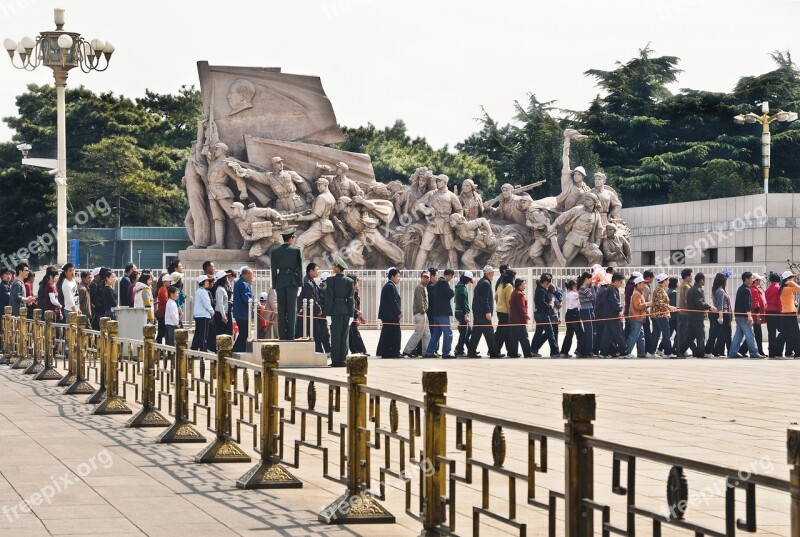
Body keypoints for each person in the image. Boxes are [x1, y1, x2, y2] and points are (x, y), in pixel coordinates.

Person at [270, 227, 303, 340]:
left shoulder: (275, 252)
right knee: (292, 309)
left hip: (280, 281)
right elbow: (299, 268)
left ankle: (282, 336)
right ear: (291, 238)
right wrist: (300, 284)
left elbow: (273, 270)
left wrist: (274, 285)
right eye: (294, 237)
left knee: (282, 309)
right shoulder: (296, 250)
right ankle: (290, 336)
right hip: (292, 281)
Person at [677, 273, 717, 358]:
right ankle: (700, 353)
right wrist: (709, 307)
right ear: (701, 280)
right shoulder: (697, 290)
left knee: (691, 336)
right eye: (704, 280)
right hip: (697, 317)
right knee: (700, 336)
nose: (705, 281)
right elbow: (699, 303)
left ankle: (680, 350)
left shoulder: (692, 289)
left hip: (692, 316)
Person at [324, 257, 354, 367]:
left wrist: (327, 314)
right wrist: (352, 315)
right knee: (344, 336)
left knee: (335, 337)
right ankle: (343, 360)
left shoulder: (330, 280)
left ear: (338, 268)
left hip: (335, 311)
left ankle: (335, 361)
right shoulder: (350, 281)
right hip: (345, 310)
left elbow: (329, 298)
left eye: (334, 266)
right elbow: (351, 299)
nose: (333, 268)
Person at [467, 266, 501, 358]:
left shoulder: (481, 282)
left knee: (476, 333)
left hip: (478, 312)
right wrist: (488, 311)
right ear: (489, 274)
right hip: (482, 312)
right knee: (489, 333)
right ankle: (494, 353)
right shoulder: (486, 283)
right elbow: (484, 299)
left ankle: (471, 352)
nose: (493, 275)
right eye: (492, 273)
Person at [728, 272, 760, 359]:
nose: (752, 280)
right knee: (750, 334)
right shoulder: (746, 289)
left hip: (738, 315)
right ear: (746, 279)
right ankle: (754, 352)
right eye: (751, 278)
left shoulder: (740, 288)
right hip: (744, 316)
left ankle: (733, 352)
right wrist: (749, 316)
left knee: (738, 335)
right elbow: (748, 304)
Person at [426, 268, 455, 358]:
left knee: (436, 333)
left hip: (436, 312)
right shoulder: (444, 283)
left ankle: (429, 352)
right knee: (448, 332)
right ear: (449, 275)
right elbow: (451, 293)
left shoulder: (437, 284)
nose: (451, 279)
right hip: (443, 312)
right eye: (451, 277)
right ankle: (446, 353)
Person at [402, 272, 431, 358]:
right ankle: (407, 350)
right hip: (420, 313)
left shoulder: (424, 288)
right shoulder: (419, 288)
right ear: (421, 278)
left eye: (427, 278)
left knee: (427, 334)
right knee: (418, 333)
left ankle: (426, 352)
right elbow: (420, 301)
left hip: (423, 313)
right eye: (424, 277)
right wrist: (423, 311)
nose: (426, 279)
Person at [530, 273, 559, 357]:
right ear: (546, 282)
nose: (549, 284)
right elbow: (542, 302)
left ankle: (533, 350)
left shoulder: (540, 290)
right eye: (549, 283)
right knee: (550, 333)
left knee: (538, 333)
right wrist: (549, 306)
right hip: (543, 314)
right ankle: (555, 352)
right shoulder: (541, 291)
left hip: (539, 314)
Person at [598, 273, 626, 357]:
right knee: (619, 334)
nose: (622, 284)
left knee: (607, 335)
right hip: (613, 316)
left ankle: (603, 353)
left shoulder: (610, 289)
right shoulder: (612, 289)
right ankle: (623, 353)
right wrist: (620, 309)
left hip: (608, 316)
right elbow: (614, 301)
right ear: (616, 281)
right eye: (621, 282)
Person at [376, 268, 402, 358]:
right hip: (390, 315)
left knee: (386, 334)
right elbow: (393, 301)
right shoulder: (390, 286)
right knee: (395, 333)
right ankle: (395, 352)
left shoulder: (389, 285)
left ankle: (385, 352)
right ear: (392, 276)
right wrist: (398, 312)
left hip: (387, 315)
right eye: (398, 276)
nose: (399, 278)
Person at [650, 273, 676, 358]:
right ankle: (668, 353)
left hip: (657, 315)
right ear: (664, 281)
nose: (668, 281)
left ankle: (651, 352)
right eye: (667, 280)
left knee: (656, 334)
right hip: (661, 315)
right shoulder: (660, 290)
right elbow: (660, 304)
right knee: (666, 334)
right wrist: (670, 307)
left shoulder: (659, 289)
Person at [624, 276, 650, 358]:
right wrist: (648, 304)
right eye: (643, 283)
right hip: (636, 318)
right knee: (634, 336)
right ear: (638, 284)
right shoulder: (636, 294)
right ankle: (627, 352)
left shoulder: (639, 293)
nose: (644, 285)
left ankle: (641, 352)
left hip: (639, 318)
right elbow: (638, 306)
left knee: (640, 336)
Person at [705, 272, 731, 357]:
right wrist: (721, 317)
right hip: (723, 314)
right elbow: (720, 305)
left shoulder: (717, 290)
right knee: (718, 334)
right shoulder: (720, 291)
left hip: (722, 314)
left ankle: (714, 350)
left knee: (719, 334)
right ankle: (709, 350)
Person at [775, 270, 800, 357]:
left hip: (786, 313)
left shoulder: (783, 289)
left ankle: (777, 352)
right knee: (796, 334)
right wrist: (791, 282)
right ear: (788, 279)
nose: (793, 279)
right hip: (790, 314)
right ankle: (798, 352)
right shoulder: (786, 289)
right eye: (792, 277)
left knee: (785, 334)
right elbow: (798, 288)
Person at [507, 278, 533, 358]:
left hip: (513, 320)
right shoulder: (519, 294)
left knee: (514, 338)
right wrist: (526, 316)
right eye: (523, 284)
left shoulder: (514, 293)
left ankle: (513, 353)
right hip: (519, 320)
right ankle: (527, 353)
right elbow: (521, 307)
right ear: (519, 285)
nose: (525, 286)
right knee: (524, 338)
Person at [494, 268, 515, 355]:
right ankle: (496, 350)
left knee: (505, 332)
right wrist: (510, 313)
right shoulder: (509, 286)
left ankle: (510, 350)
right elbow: (509, 301)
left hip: (499, 310)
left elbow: (496, 297)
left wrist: (500, 303)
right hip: (506, 311)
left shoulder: (500, 285)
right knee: (502, 332)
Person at [233, 267, 254, 352]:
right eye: (251, 275)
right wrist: (254, 302)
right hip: (243, 313)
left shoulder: (238, 283)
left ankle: (239, 349)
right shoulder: (243, 284)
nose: (252, 277)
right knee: (244, 333)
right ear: (247, 274)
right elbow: (246, 298)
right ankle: (237, 349)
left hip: (240, 312)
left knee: (243, 332)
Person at [560, 279, 583, 358]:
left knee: (569, 334)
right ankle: (580, 350)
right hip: (574, 314)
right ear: (574, 286)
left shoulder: (568, 294)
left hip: (568, 314)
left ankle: (564, 351)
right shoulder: (575, 294)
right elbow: (581, 298)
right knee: (580, 334)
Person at [190, 275, 214, 351]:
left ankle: (194, 348)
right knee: (203, 334)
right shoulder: (203, 292)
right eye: (207, 281)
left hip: (199, 316)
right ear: (202, 282)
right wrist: (212, 312)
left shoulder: (198, 291)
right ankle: (203, 350)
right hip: (203, 316)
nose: (208, 282)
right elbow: (207, 304)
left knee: (198, 333)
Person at [454, 271, 474, 357]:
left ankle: (469, 348)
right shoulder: (462, 288)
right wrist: (466, 314)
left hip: (458, 312)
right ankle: (459, 350)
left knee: (468, 331)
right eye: (469, 280)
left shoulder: (458, 286)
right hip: (462, 313)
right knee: (464, 333)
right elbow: (463, 302)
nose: (469, 282)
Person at [577, 272, 595, 358]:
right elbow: (593, 298)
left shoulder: (584, 288)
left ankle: (581, 350)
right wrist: (593, 288)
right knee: (589, 332)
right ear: (586, 279)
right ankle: (588, 352)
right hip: (586, 310)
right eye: (590, 278)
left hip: (587, 310)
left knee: (587, 332)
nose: (592, 280)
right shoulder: (584, 288)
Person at [675, 268, 693, 352]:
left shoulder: (680, 286)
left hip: (680, 311)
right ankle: (676, 350)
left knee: (682, 332)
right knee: (683, 333)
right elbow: (687, 301)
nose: (692, 277)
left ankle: (680, 349)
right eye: (691, 275)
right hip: (686, 312)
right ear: (687, 277)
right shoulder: (687, 287)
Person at [348, 276, 367, 355]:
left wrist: (360, 318)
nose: (358, 285)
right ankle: (356, 351)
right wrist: (356, 314)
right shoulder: (349, 295)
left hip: (354, 319)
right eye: (356, 283)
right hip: (349, 318)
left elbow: (356, 307)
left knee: (355, 334)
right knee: (352, 335)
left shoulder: (356, 296)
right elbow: (349, 306)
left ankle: (359, 350)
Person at [764, 272, 782, 357]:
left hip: (768, 311)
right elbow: (779, 301)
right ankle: (776, 348)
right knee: (783, 330)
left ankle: (771, 351)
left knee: (771, 332)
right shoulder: (778, 288)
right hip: (776, 311)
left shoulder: (767, 289)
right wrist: (781, 311)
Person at [749, 273, 767, 357]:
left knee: (755, 334)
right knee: (757, 334)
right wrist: (758, 317)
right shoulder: (754, 290)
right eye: (759, 279)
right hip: (756, 316)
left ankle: (743, 350)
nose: (760, 281)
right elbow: (756, 305)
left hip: (755, 316)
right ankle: (760, 351)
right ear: (755, 281)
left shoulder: (754, 289)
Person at [212, 271, 232, 339]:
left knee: (222, 332)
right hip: (220, 313)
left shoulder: (221, 288)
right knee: (222, 332)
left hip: (221, 313)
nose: (227, 278)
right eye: (226, 277)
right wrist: (223, 316)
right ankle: (220, 348)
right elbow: (220, 303)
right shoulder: (220, 289)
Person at [155, 273, 170, 344]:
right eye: (168, 281)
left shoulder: (161, 289)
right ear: (164, 281)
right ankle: (159, 347)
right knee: (162, 332)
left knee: (161, 331)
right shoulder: (163, 289)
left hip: (161, 313)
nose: (170, 282)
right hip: (162, 313)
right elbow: (165, 301)